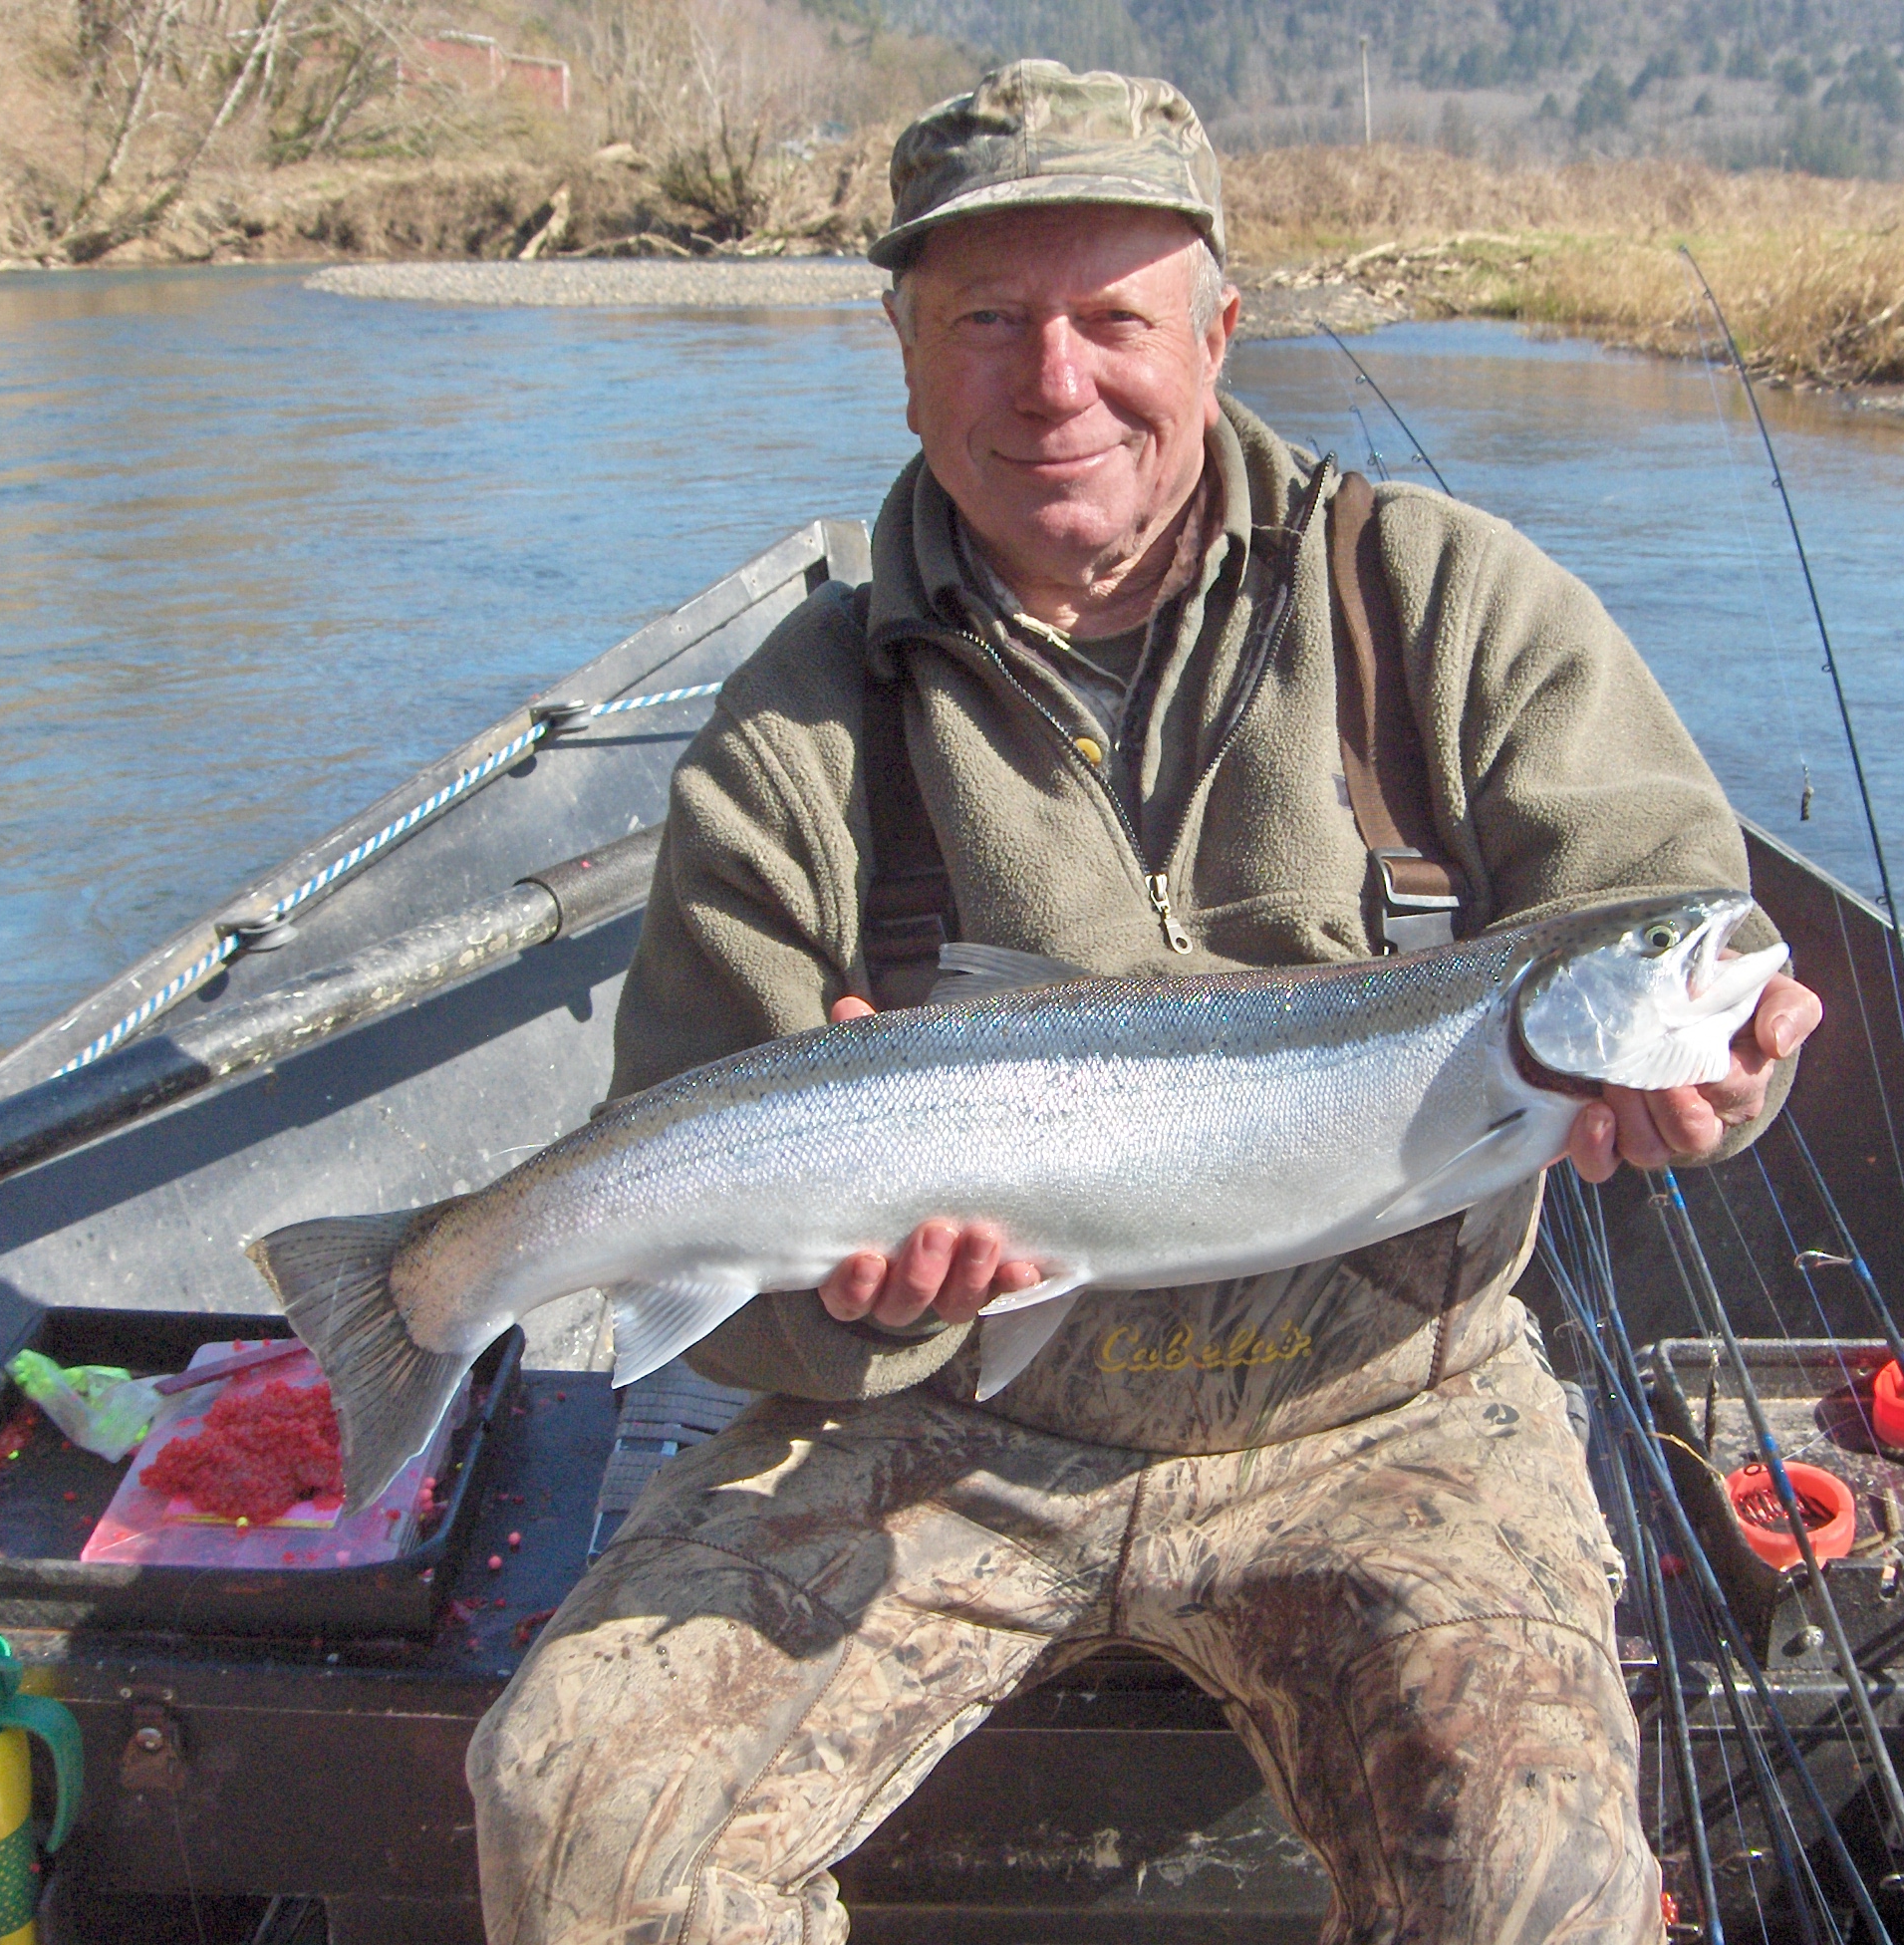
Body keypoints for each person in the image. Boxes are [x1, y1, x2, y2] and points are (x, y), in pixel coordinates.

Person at [467, 59, 1823, 1945]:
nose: (1055, 382)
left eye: (1113, 319)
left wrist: (1718, 1080)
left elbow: (1666, 919)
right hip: (936, 1436)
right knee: (581, 1825)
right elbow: (711, 1206)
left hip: (1390, 1416)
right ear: (907, 351)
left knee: (1550, 1889)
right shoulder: (795, 726)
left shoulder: (1442, 602)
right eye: (990, 323)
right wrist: (852, 1314)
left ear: (1215, 334)